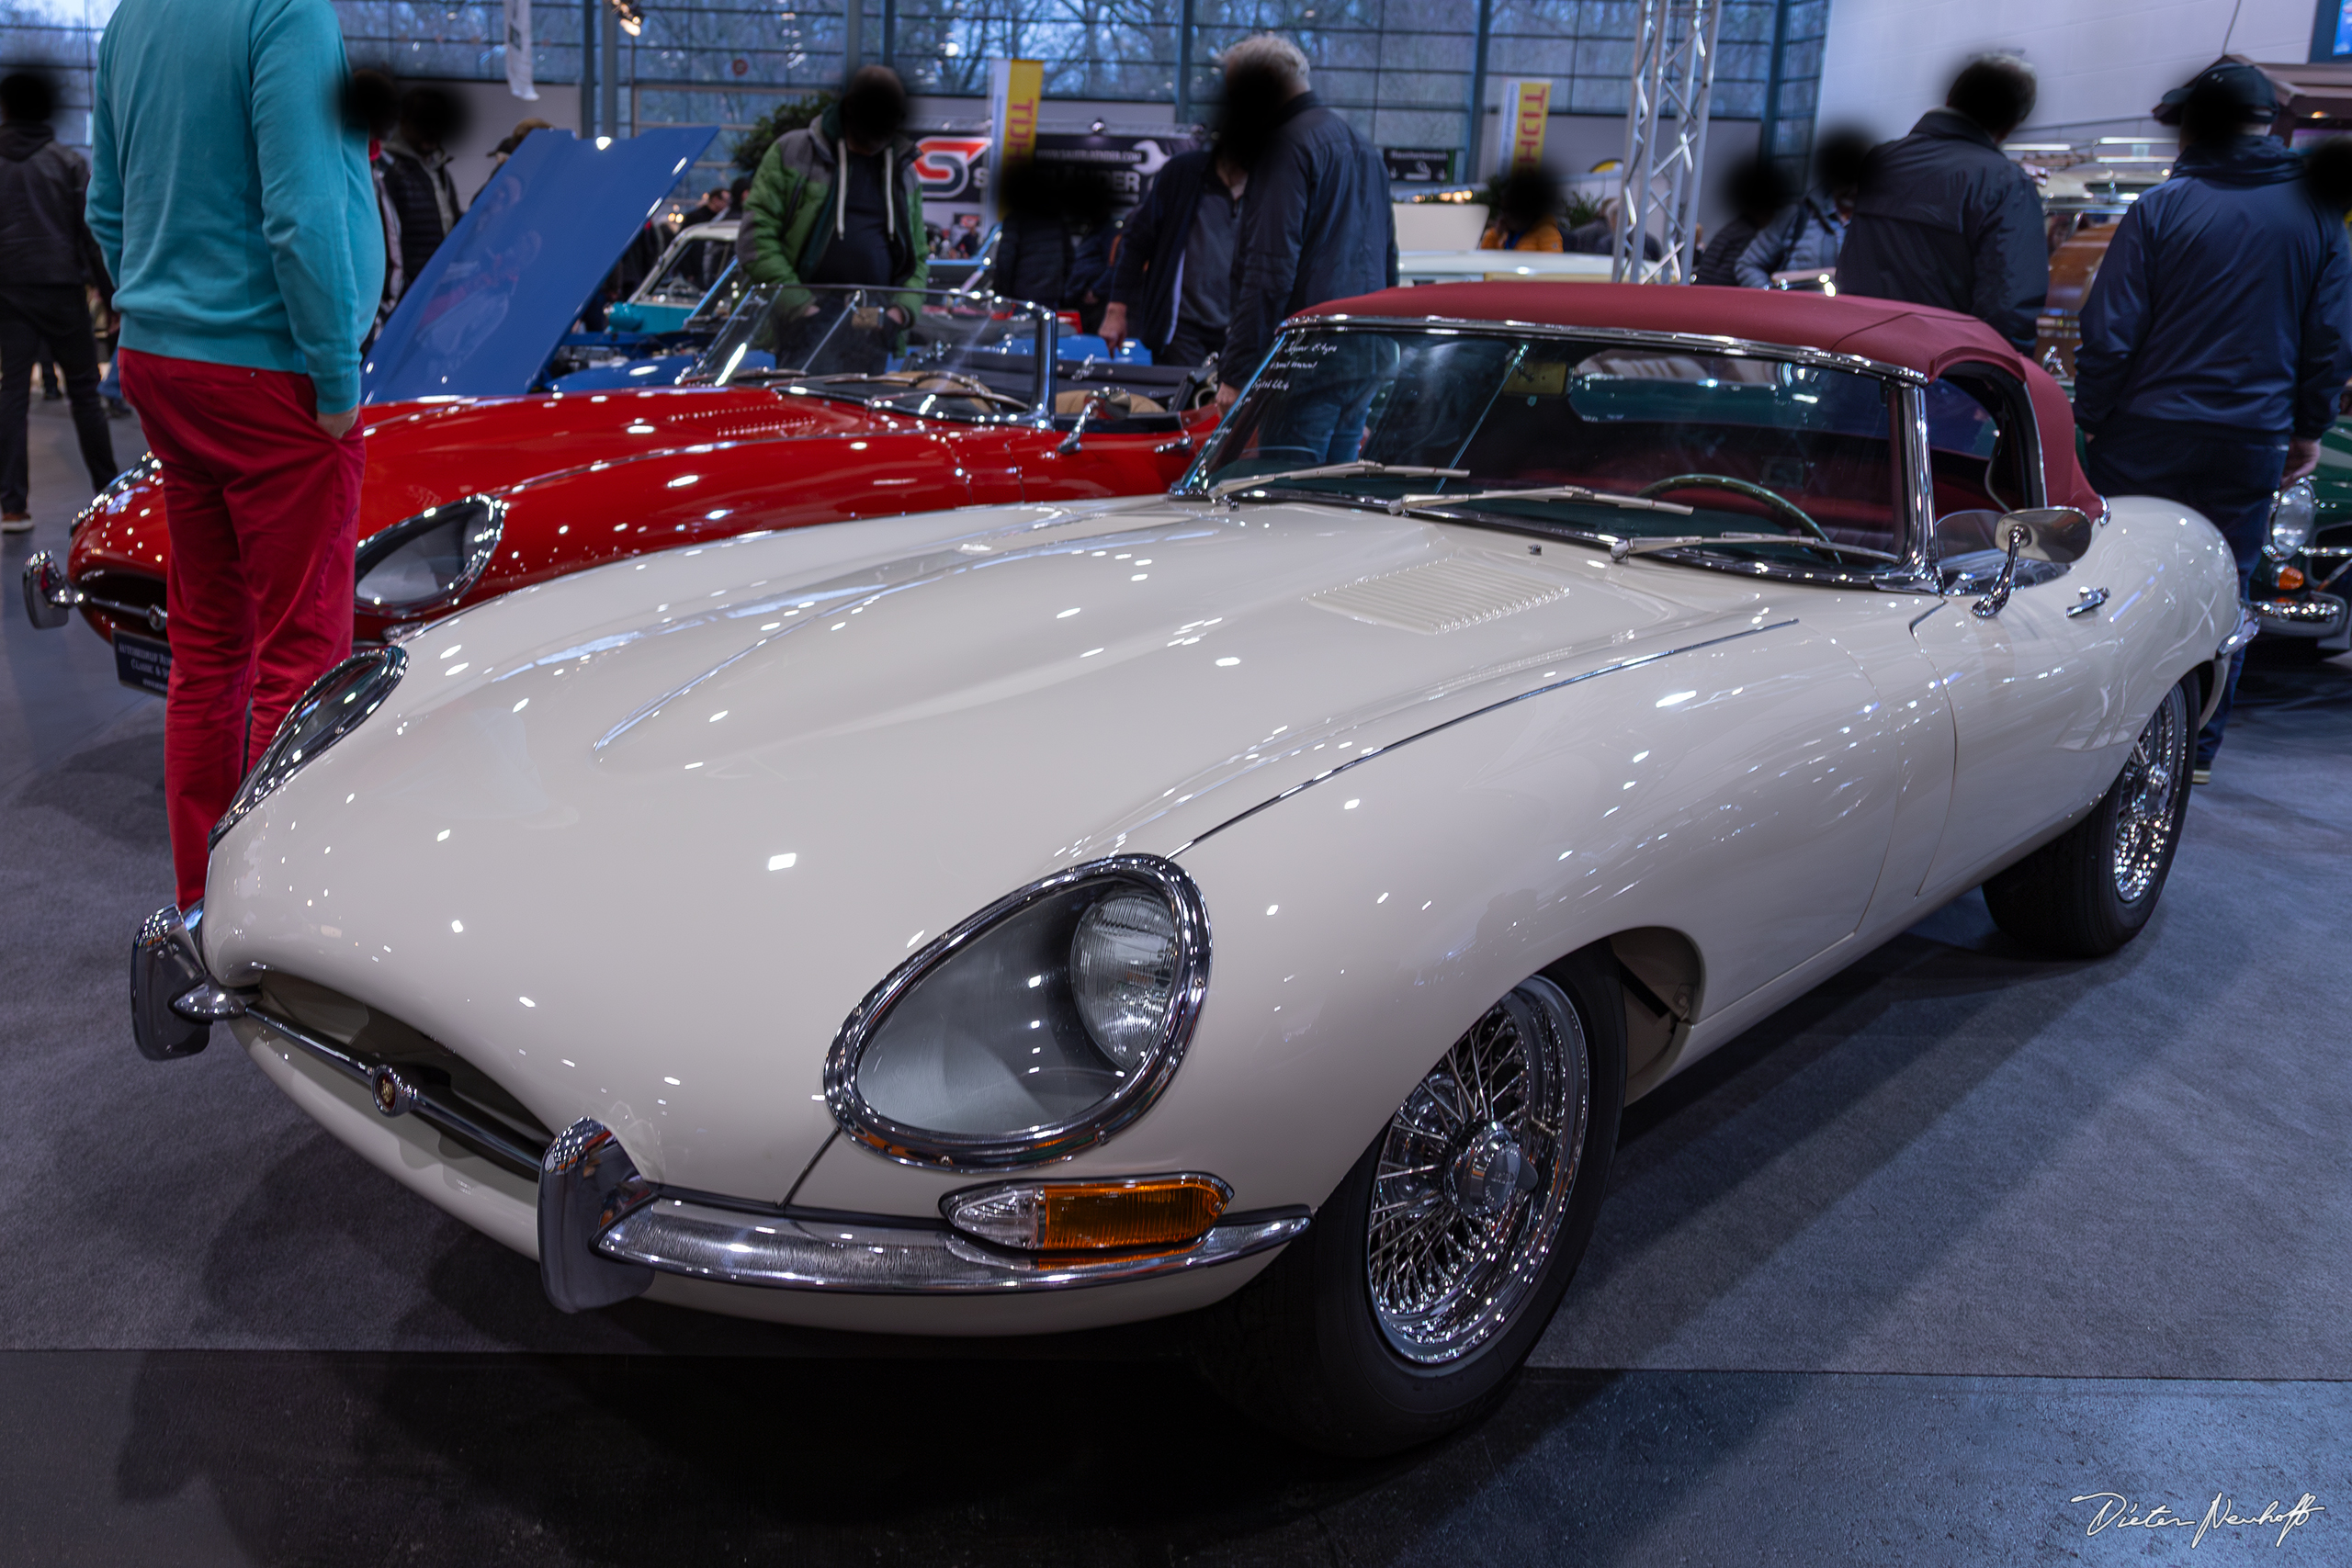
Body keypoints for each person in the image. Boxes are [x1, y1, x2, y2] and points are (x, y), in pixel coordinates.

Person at [88, 0, 381, 913]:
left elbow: (105, 207)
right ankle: (280, 906)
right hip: (267, 369)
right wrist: (335, 372)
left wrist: (162, 300)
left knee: (209, 646)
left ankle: (203, 895)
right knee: (303, 649)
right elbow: (303, 202)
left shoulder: (133, 19)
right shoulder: (284, 12)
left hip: (162, 359)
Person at [2075, 61, 2352, 781]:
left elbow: (2109, 331)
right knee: (2225, 589)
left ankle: (2097, 737)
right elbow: (2330, 338)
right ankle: (2191, 753)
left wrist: (2094, 418)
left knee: (2111, 577)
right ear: (2269, 127)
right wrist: (2307, 428)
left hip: (2144, 430)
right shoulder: (2318, 214)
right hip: (2252, 438)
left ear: (2195, 126)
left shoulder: (2164, 208)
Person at [1215, 35, 1397, 419]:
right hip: (1365, 354)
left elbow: (1269, 270)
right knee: (1336, 478)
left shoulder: (1284, 146)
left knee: (1287, 476)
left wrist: (1235, 373)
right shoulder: (1363, 147)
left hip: (1307, 360)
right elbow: (1387, 259)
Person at [1837, 54, 2049, 349]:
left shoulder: (1880, 160)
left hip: (1860, 361)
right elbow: (2008, 309)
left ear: (1950, 98)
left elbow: (1850, 272)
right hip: (1943, 378)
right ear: (2010, 125)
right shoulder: (2006, 184)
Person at [738, 64, 928, 365]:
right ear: (850, 106)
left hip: (872, 324)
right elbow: (755, 240)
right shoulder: (794, 151)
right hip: (804, 323)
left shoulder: (903, 172)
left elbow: (918, 257)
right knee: (802, 408)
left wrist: (898, 313)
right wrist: (801, 308)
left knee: (862, 410)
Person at [1, 69, 119, 532]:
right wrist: (110, 299)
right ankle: (108, 496)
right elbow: (90, 237)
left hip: (9, 292)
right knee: (85, 395)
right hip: (62, 289)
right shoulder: (67, 162)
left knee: (12, 393)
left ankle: (12, 504)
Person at [1103, 141, 1247, 367]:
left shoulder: (1268, 184)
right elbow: (1137, 242)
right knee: (1182, 400)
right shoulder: (1185, 171)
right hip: (1180, 329)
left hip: (1238, 332)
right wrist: (1116, 309)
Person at [1734, 131, 1870, 288]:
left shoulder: (1874, 223)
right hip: (1793, 310)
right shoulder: (1796, 215)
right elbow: (1748, 265)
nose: (1853, 188)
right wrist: (1772, 299)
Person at [379, 86, 466, 296]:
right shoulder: (388, 170)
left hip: (438, 286)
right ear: (404, 122)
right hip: (408, 291)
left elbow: (450, 220)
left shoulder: (439, 170)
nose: (431, 130)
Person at [1694, 154, 1794, 287]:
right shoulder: (1749, 235)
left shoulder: (1733, 228)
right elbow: (1727, 279)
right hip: (1720, 298)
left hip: (1705, 293)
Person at [1479, 164, 1567, 253]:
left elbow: (1554, 263)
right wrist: (1496, 232)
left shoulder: (1546, 233)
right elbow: (1484, 258)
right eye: (1504, 210)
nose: (1507, 215)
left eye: (1513, 209)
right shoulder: (1507, 234)